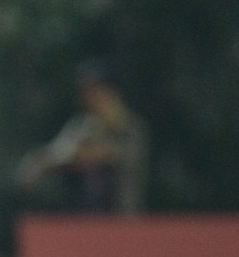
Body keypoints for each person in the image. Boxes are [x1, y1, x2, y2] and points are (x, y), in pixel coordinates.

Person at [20, 60, 147, 214]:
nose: (89, 98)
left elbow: (107, 156)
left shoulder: (131, 128)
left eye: (95, 91)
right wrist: (38, 163)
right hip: (82, 218)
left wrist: (76, 154)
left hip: (121, 218)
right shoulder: (80, 126)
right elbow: (54, 153)